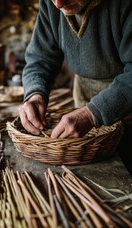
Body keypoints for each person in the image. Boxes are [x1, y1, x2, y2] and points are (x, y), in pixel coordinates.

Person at [19, 0, 132, 139]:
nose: (59, 5)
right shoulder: (50, 4)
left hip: (126, 104)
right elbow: (40, 58)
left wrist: (91, 114)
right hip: (82, 96)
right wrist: (34, 94)